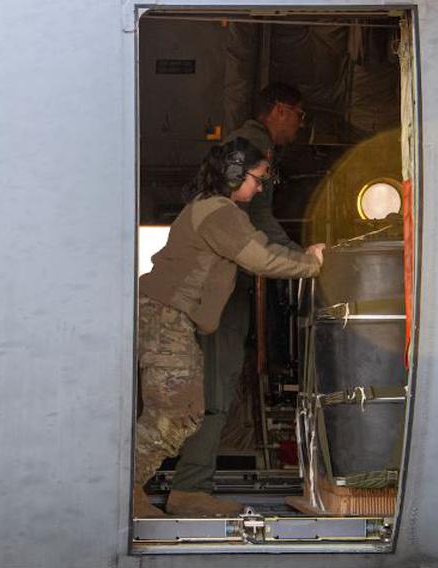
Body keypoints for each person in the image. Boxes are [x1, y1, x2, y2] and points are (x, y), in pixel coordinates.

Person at [134, 138, 325, 518]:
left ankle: (181, 494)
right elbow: (261, 256)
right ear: (236, 173)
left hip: (171, 319)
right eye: (257, 178)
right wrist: (311, 263)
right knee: (174, 413)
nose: (259, 188)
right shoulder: (220, 212)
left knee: (186, 409)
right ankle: (120, 489)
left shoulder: (213, 208)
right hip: (166, 319)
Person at [167, 83, 310, 517]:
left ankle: (189, 484)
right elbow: (258, 234)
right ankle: (190, 487)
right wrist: (304, 259)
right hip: (221, 297)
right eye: (298, 116)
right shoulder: (248, 155)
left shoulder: (238, 158)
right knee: (213, 387)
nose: (261, 183)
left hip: (220, 292)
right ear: (281, 111)